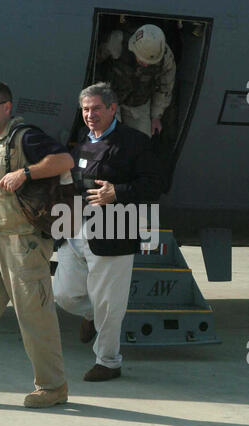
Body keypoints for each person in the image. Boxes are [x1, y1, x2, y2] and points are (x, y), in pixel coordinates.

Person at [0, 81, 74, 408]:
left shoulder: (26, 136)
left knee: (34, 316)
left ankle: (53, 388)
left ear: (7, 107)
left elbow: (64, 160)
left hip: (25, 243)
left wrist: (25, 172)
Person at [53, 82, 162, 381]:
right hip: (75, 229)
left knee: (110, 305)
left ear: (113, 108)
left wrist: (118, 192)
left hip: (114, 231)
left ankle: (109, 361)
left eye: (96, 108)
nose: (90, 114)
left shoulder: (134, 142)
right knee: (63, 294)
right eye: (86, 109)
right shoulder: (84, 142)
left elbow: (155, 185)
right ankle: (91, 315)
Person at [97, 24, 176, 138]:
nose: (146, 64)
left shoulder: (166, 58)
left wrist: (156, 116)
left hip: (139, 102)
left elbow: (165, 88)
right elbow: (93, 62)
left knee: (142, 140)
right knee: (109, 138)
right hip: (110, 97)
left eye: (149, 62)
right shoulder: (116, 41)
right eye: (142, 59)